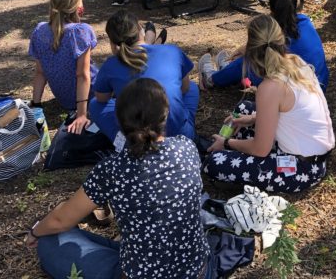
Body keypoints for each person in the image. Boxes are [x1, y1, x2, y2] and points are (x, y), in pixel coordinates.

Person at [27, 79, 209, 279]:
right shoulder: (186, 147)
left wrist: (36, 233)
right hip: (197, 270)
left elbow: (61, 220)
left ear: (120, 123)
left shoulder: (113, 169)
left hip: (140, 273)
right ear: (164, 116)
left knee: (49, 237)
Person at [203, 15, 335, 193]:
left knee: (215, 162)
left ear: (250, 49)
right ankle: (227, 143)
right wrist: (252, 119)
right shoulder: (295, 61)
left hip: (300, 167)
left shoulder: (270, 87)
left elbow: (260, 149)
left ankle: (221, 145)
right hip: (313, 155)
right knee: (244, 110)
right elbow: (290, 114)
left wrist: (227, 143)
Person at [89, 11, 199, 143]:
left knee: (95, 104)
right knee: (192, 87)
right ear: (140, 29)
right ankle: (186, 128)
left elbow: (101, 98)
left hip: (138, 141)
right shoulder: (172, 51)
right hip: (180, 137)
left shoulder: (111, 64)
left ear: (113, 42)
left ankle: (123, 143)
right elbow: (185, 87)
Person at [199, 0, 329, 91]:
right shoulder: (305, 21)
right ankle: (227, 70)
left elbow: (255, 57)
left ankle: (212, 79)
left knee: (248, 63)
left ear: (271, 8)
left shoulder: (276, 37)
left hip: (295, 91)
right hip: (319, 83)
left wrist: (249, 52)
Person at [29, 0, 97, 134]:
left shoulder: (39, 31)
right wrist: (81, 114)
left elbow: (40, 73)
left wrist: (36, 105)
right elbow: (83, 75)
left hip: (65, 99)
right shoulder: (80, 32)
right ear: (77, 7)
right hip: (91, 95)